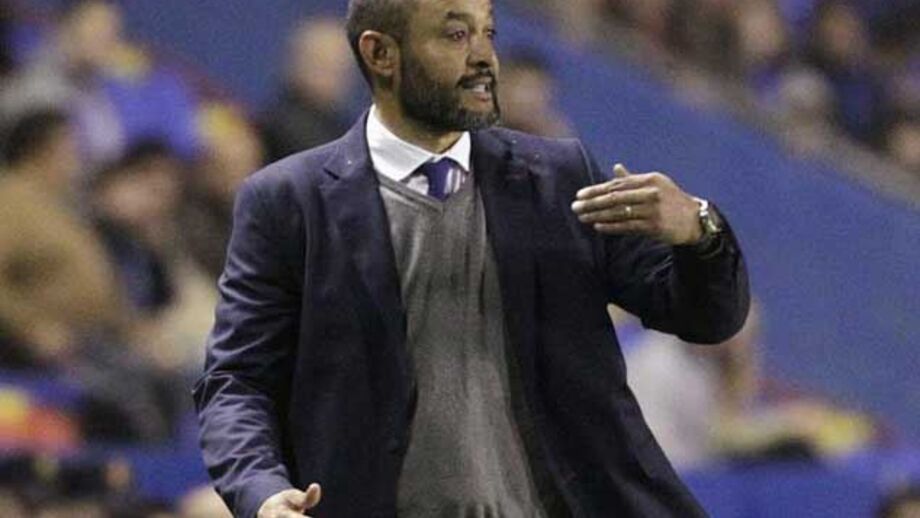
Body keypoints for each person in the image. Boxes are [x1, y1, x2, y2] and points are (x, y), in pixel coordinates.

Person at [193, 0, 750, 516]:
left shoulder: (557, 179)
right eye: (456, 35)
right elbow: (236, 383)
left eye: (489, 33)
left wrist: (698, 232)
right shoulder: (288, 202)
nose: (485, 56)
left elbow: (705, 319)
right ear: (380, 53)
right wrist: (262, 492)